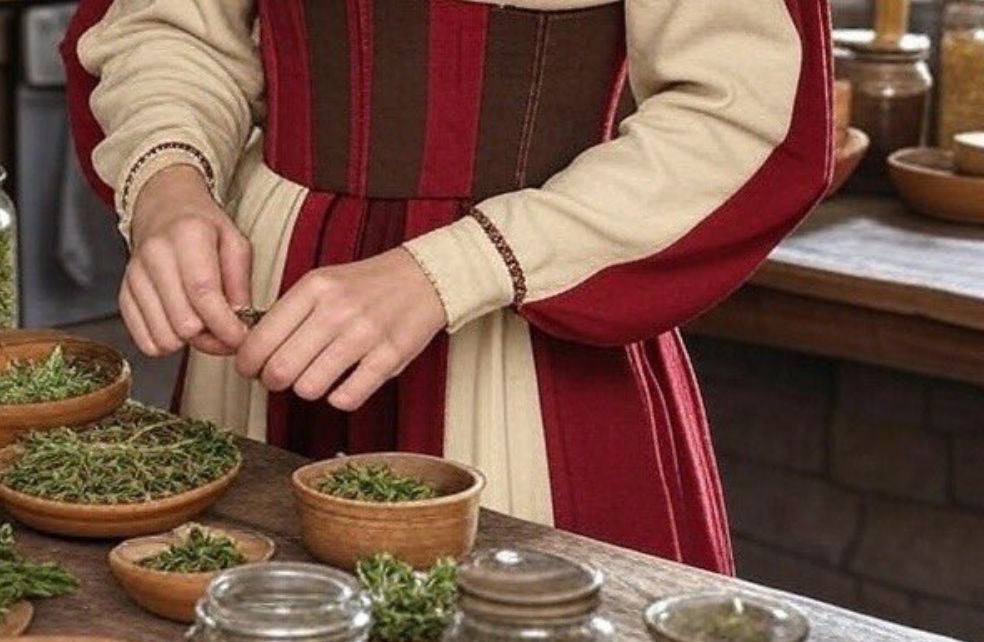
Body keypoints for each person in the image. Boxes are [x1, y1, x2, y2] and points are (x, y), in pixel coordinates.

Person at [62, 0, 832, 574]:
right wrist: (167, 181)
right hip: (265, 323)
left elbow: (742, 115)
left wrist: (456, 269)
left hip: (528, 332)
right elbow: (167, 25)